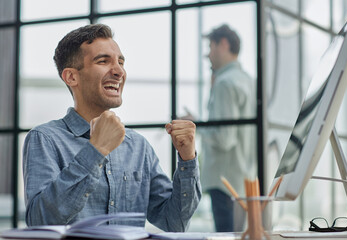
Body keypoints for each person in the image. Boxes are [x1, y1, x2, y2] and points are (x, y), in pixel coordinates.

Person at [22, 24, 201, 232]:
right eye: (103, 61)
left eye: (121, 62)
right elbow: (40, 222)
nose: (118, 71)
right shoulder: (45, 139)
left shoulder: (138, 147)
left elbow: (174, 222)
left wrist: (188, 159)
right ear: (71, 77)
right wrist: (95, 151)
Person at [184, 24, 256, 232]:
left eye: (210, 47)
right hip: (243, 180)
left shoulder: (225, 83)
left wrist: (195, 125)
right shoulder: (249, 81)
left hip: (225, 181)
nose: (207, 55)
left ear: (223, 44)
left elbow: (225, 138)